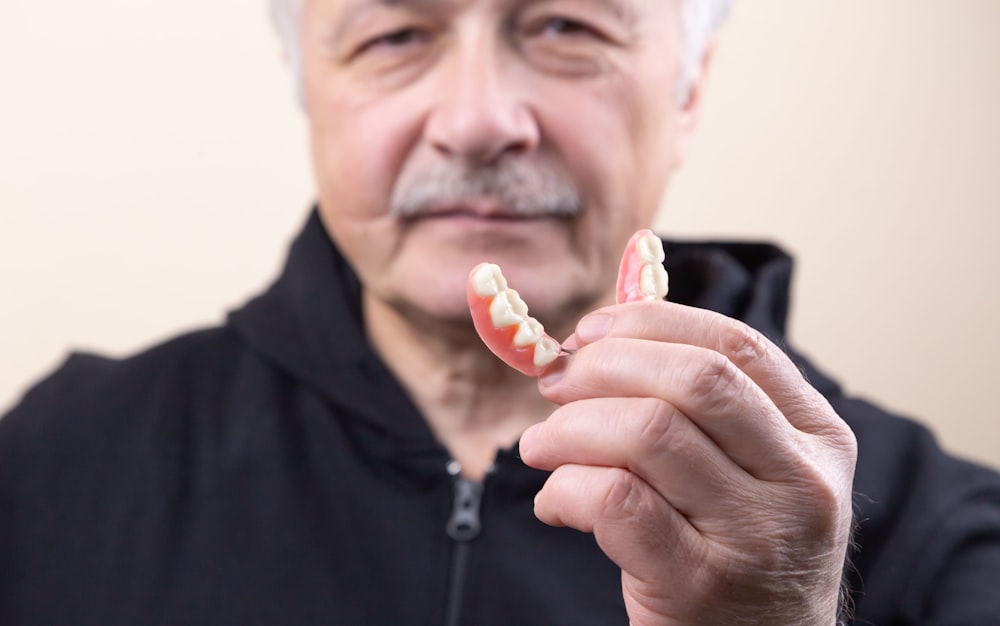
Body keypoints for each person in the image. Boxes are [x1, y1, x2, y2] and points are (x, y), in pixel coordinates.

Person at [1, 0, 998, 624]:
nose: (478, 119)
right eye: (395, 34)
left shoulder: (948, 539)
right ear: (310, 87)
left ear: (688, 90)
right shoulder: (50, 467)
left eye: (566, 26)